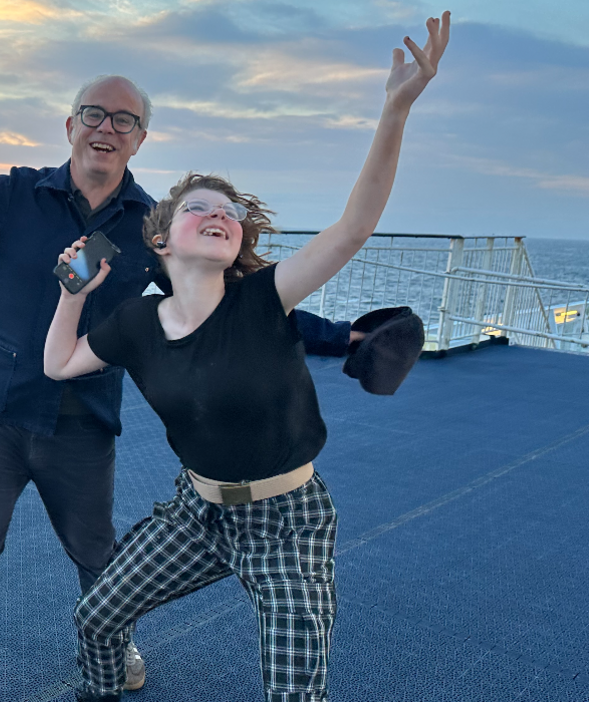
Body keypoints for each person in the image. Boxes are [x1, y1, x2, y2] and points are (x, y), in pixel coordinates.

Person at [0, 75, 357, 702]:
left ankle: (114, 649)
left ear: (139, 140)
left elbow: (232, 310)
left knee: (98, 558)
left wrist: (347, 337)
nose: (106, 128)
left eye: (123, 121)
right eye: (94, 115)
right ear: (70, 126)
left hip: (84, 422)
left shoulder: (148, 226)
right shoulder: (18, 195)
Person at [43, 12, 450, 702]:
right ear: (164, 241)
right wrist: (73, 292)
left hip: (288, 520)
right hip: (195, 513)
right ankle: (103, 691)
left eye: (230, 211)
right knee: (96, 617)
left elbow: (352, 229)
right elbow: (59, 364)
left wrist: (395, 109)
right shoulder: (140, 321)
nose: (221, 212)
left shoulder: (265, 299)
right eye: (201, 206)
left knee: (294, 693)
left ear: (236, 242)